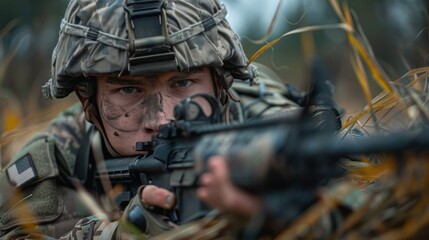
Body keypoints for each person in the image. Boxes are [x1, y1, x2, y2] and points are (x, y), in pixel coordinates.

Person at [0, 0, 302, 239]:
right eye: (129, 89)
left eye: (182, 84)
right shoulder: (55, 161)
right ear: (87, 101)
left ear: (221, 85)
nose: (161, 119)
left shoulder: (272, 128)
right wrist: (118, 233)